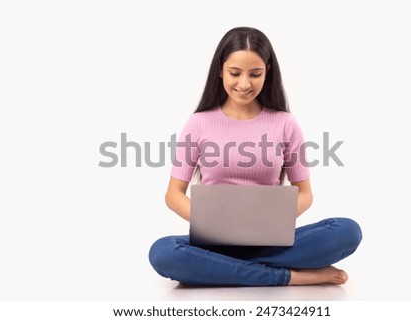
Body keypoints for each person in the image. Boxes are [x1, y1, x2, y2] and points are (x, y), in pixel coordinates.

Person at [148, 26, 362, 286]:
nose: (244, 84)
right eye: (235, 73)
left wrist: (272, 222)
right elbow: (173, 195)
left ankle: (221, 270)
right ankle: (289, 276)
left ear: (267, 72)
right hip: (215, 243)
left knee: (347, 231)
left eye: (255, 74)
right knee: (163, 252)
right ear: (220, 70)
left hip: (270, 242)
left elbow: (305, 193)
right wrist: (213, 226)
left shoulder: (285, 123)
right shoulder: (198, 123)